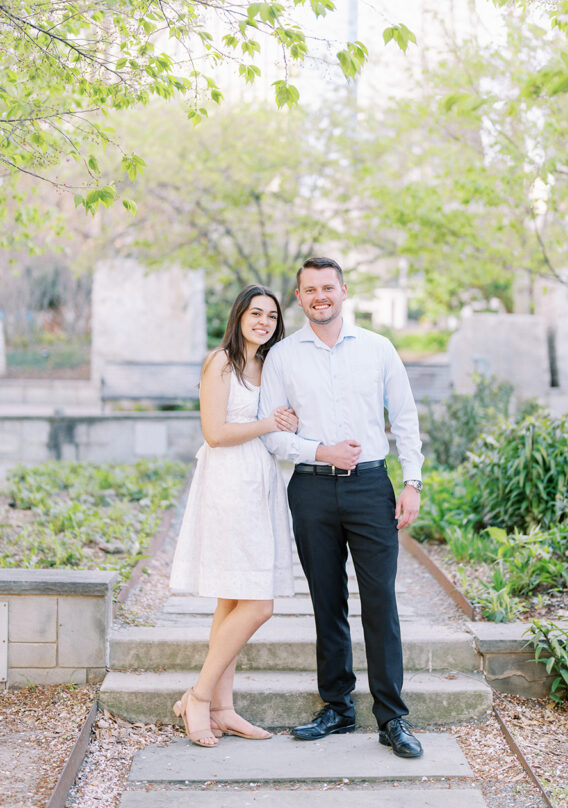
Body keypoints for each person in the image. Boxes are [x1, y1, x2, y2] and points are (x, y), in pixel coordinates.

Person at [258, 256, 424, 759]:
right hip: (310, 491)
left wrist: (411, 480)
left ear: (344, 291)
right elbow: (273, 434)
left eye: (327, 287)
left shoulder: (378, 349)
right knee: (326, 602)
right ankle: (336, 707)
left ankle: (392, 717)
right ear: (300, 296)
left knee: (380, 603)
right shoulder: (282, 357)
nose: (319, 296)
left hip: (371, 486)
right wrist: (320, 451)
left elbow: (407, 416)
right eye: (309, 290)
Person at [169, 284, 298, 747]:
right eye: (255, 313)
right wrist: (271, 423)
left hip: (262, 482)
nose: (263, 321)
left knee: (232, 600)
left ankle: (223, 707)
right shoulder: (220, 361)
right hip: (227, 483)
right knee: (257, 603)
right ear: (239, 316)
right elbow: (215, 431)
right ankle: (199, 697)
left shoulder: (271, 365)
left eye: (271, 315)